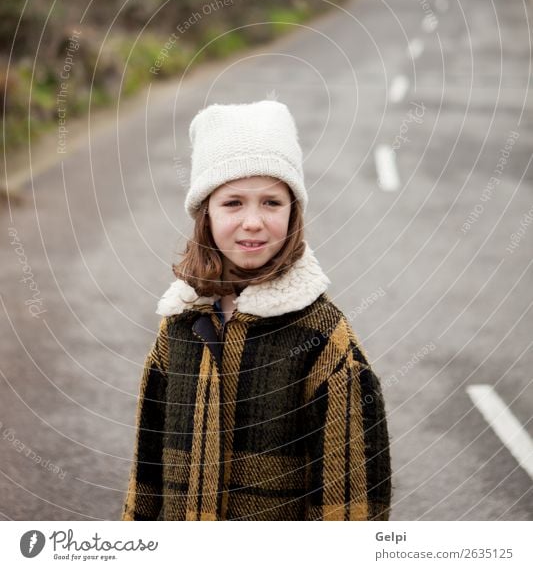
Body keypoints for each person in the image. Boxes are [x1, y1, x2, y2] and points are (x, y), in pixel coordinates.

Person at [122, 100, 392, 521]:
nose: (253, 221)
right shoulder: (179, 326)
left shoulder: (322, 339)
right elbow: (147, 475)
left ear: (293, 212)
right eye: (233, 203)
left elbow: (353, 502)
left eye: (271, 202)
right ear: (205, 213)